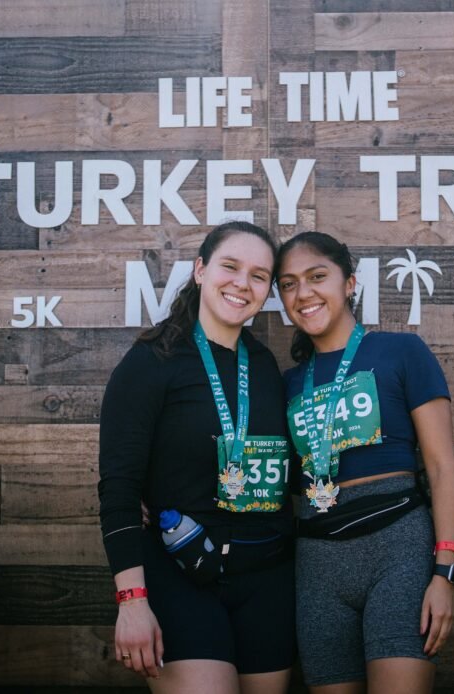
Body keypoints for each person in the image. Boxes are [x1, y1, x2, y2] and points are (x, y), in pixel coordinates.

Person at [98, 221, 295, 694]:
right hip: (180, 572)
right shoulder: (151, 361)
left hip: (265, 577)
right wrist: (132, 599)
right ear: (200, 270)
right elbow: (119, 488)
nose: (242, 284)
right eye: (230, 267)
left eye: (258, 276)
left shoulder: (265, 366)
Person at [275, 231, 454, 694]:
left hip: (397, 550)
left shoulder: (402, 353)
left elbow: (442, 468)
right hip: (318, 564)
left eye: (317, 276)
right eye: (288, 284)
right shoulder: (285, 383)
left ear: (350, 284)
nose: (303, 293)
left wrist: (445, 574)